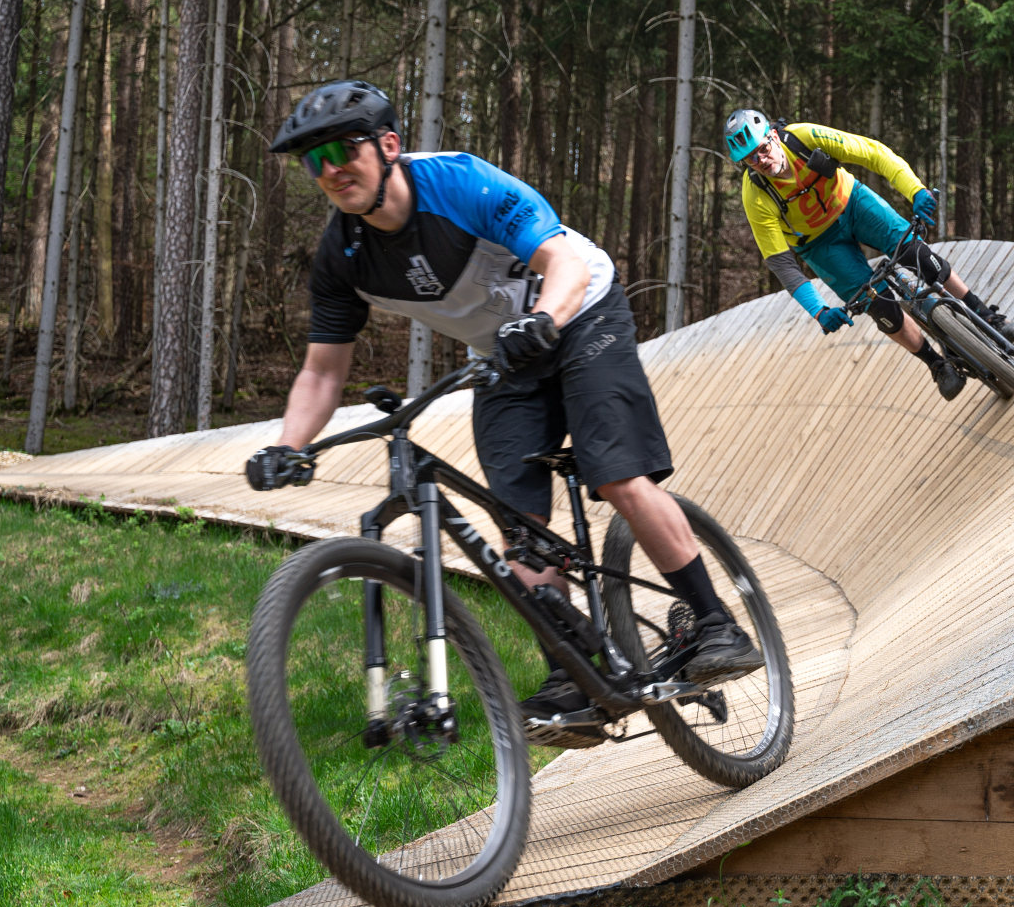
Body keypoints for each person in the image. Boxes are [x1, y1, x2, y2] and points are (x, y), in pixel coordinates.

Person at [244, 80, 760, 748]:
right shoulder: (341, 255)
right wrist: (288, 443)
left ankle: (717, 620)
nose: (333, 168)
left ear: (390, 146)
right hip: (503, 355)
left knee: (616, 474)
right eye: (315, 160)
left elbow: (562, 260)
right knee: (517, 525)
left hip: (581, 312)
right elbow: (322, 368)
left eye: (345, 148)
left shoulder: (460, 185)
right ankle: (574, 675)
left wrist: (545, 317)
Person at [724, 110, 1014, 400]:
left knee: (915, 252)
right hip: (819, 245)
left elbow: (873, 153)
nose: (760, 160)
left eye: (762, 149)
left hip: (852, 203)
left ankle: (987, 317)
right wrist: (819, 310)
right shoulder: (755, 194)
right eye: (751, 159)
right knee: (875, 304)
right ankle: (937, 365)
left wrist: (915, 191)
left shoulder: (805, 137)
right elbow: (782, 264)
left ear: (773, 136)